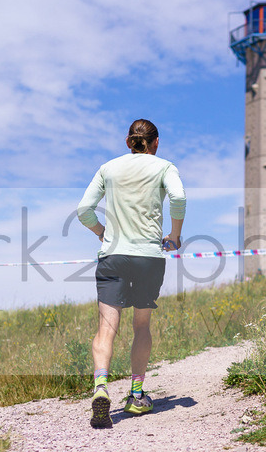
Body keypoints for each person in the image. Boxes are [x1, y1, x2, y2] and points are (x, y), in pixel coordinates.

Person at [77, 119, 186, 429]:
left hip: (113, 255)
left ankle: (100, 388)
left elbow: (84, 208)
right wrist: (174, 236)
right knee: (141, 326)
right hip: (148, 258)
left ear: (128, 141)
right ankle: (136, 395)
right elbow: (178, 199)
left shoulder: (107, 168)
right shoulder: (165, 167)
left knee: (106, 327)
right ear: (156, 143)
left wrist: (101, 232)